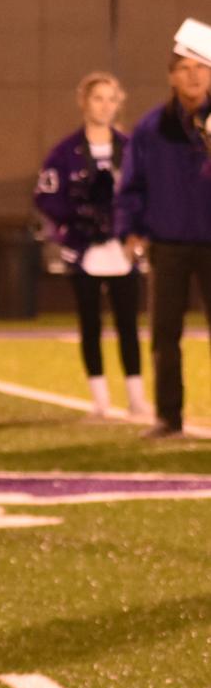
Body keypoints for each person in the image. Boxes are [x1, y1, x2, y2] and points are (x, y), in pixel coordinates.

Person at [35, 72, 149, 421]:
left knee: (129, 324)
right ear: (83, 102)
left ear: (119, 103)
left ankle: (136, 397)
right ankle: (99, 398)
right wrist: (75, 219)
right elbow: (45, 195)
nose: (104, 105)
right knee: (90, 324)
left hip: (122, 249)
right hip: (84, 250)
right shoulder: (64, 152)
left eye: (111, 99)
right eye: (97, 98)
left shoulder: (130, 149)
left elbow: (147, 194)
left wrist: (135, 228)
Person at [116, 27, 211, 439]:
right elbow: (131, 186)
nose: (194, 77)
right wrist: (131, 230)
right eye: (185, 69)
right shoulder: (151, 128)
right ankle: (168, 417)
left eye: (202, 68)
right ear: (171, 76)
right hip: (169, 243)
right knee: (164, 333)